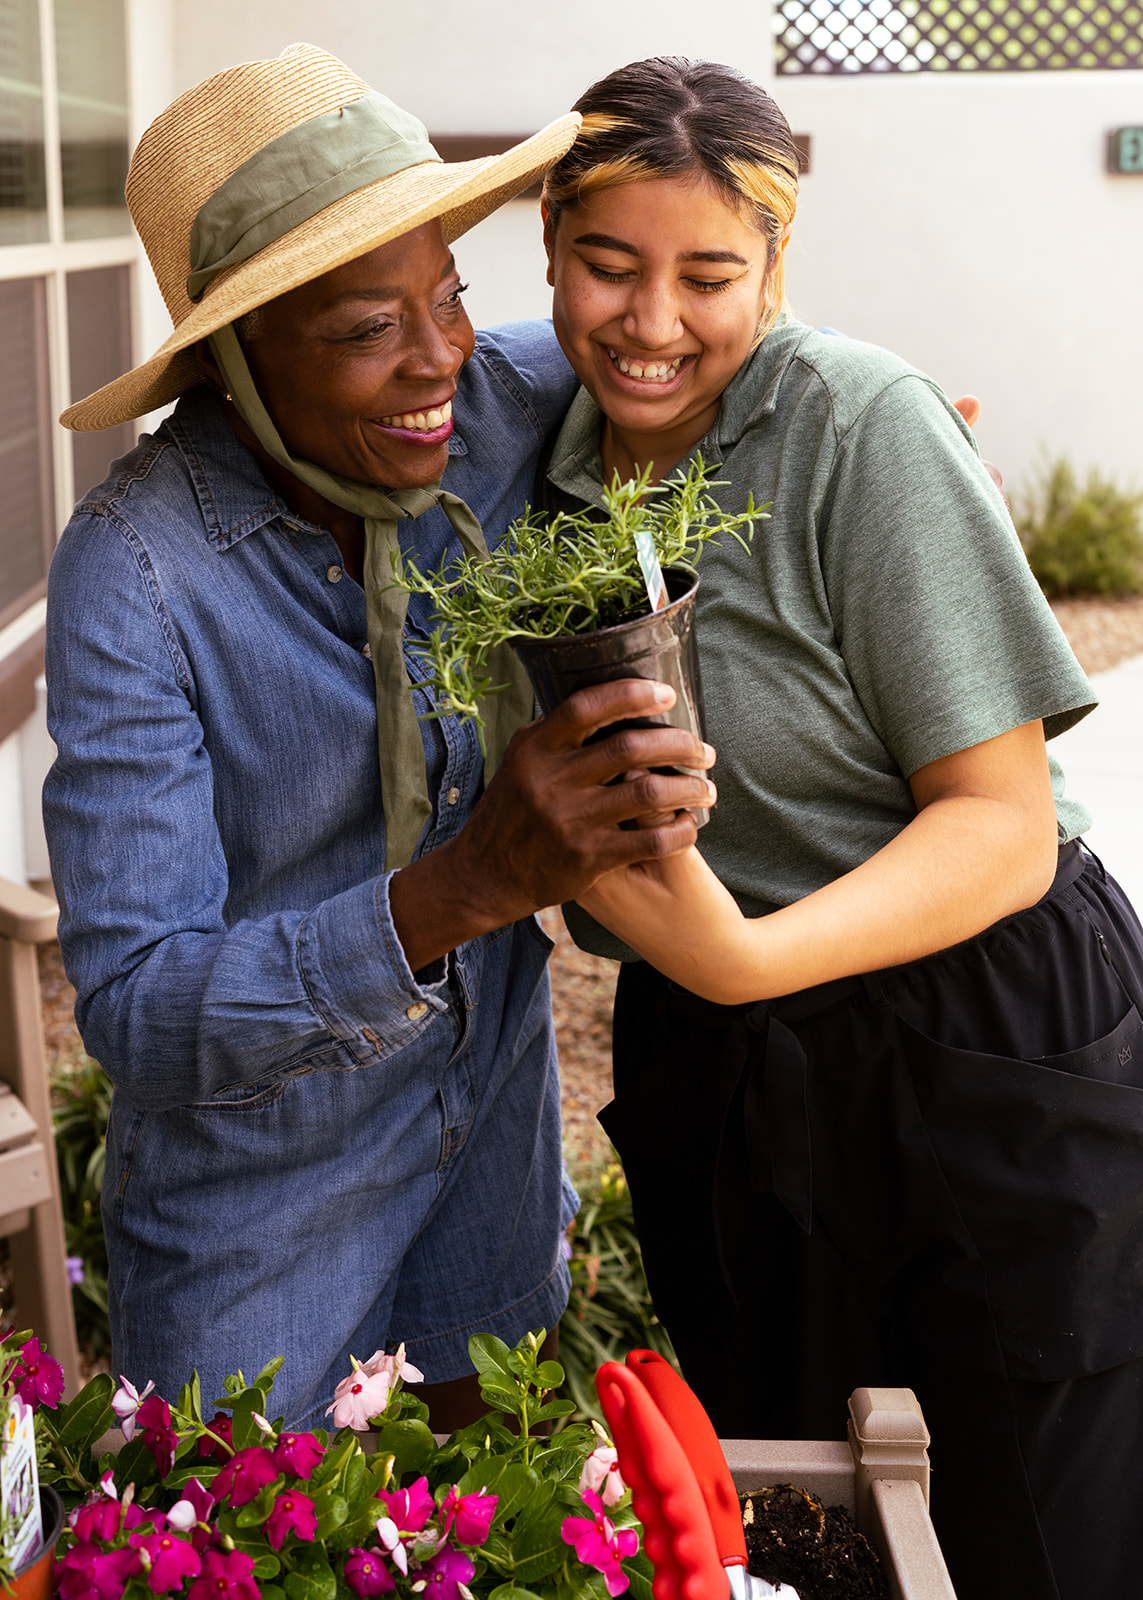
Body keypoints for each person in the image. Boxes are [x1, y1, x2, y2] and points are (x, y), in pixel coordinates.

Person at [535, 57, 1143, 1600]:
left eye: (708, 274)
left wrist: (743, 959)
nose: (651, 321)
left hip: (975, 1018)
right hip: (731, 1065)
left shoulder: (858, 428)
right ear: (550, 248)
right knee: (795, 1526)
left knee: (1031, 1528)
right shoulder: (544, 481)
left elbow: (1002, 827)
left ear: (779, 267)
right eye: (608, 265)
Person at [43, 44, 717, 1432]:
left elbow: (704, 351)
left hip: (491, 1162)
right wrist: (468, 884)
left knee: (514, 1534)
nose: (440, 360)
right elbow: (138, 1012)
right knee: (248, 1557)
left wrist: (878, 428)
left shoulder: (497, 415)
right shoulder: (141, 573)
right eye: (367, 328)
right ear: (235, 357)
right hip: (257, 1216)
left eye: (451, 296)